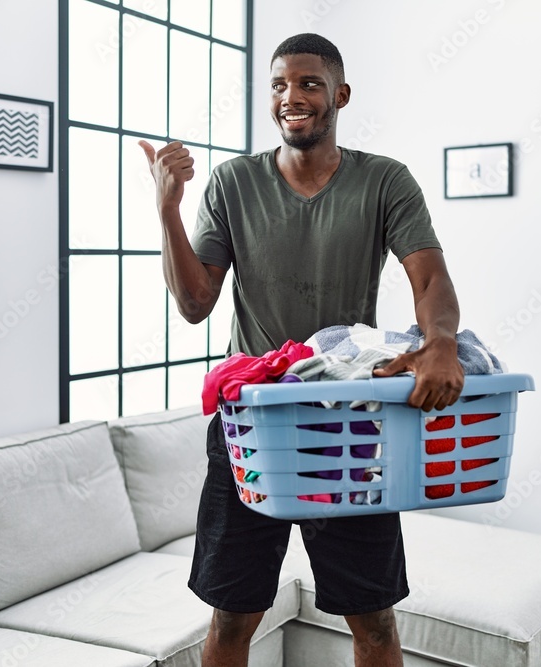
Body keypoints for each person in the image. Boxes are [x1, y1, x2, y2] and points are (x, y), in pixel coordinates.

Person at [140, 33, 463, 667]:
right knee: (232, 618)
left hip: (346, 428)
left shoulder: (384, 180)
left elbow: (428, 276)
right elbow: (195, 302)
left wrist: (442, 342)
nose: (294, 97)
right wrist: (168, 212)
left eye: (310, 84)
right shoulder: (234, 183)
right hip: (251, 427)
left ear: (339, 95)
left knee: (372, 621)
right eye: (281, 85)